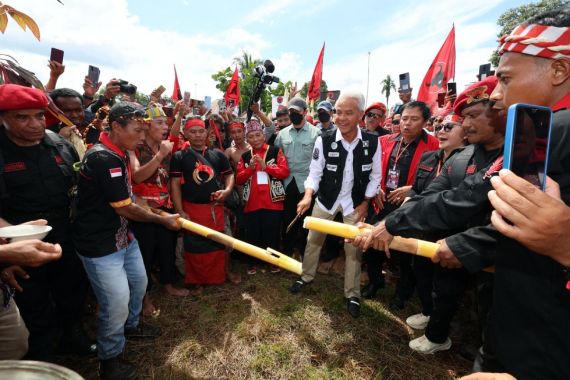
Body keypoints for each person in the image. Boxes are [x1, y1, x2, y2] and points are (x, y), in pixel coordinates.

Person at [352, 76, 506, 355]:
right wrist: (387, 224)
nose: (466, 124)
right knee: (444, 290)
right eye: (463, 117)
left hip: (499, 250)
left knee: (489, 313)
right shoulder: (464, 157)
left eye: (472, 116)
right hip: (452, 240)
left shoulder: (515, 154)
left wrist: (392, 225)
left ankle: (446, 338)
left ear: (500, 111)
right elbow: (428, 195)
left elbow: (458, 200)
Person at [456, 9, 570, 379]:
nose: (496, 95)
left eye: (505, 79)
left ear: (557, 71)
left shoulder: (556, 130)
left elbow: (475, 196)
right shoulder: (540, 132)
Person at [74, 102, 180, 380]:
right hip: (100, 245)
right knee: (116, 300)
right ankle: (110, 360)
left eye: (144, 131)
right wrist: (161, 219)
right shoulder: (103, 158)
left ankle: (131, 327)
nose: (142, 137)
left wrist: (142, 203)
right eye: (137, 131)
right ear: (117, 127)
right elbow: (123, 206)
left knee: (138, 283)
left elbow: (126, 196)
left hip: (123, 236)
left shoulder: (120, 151)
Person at [0, 83, 95, 360]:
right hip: (17, 247)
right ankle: (42, 360)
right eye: (22, 117)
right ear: (3, 118)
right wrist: (5, 256)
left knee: (71, 293)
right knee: (33, 306)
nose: (34, 124)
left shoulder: (61, 145)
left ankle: (72, 338)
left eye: (39, 116)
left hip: (66, 237)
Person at [289, 92, 381, 318]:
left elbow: (375, 176)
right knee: (313, 240)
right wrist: (308, 195)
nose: (341, 118)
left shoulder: (372, 141)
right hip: (326, 200)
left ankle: (352, 294)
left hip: (355, 204)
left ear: (360, 115)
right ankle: (306, 276)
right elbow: (315, 172)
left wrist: (366, 202)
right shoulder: (325, 138)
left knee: (354, 249)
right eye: (338, 112)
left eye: (348, 113)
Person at [361, 101, 439, 307]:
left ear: (424, 121)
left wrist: (412, 189)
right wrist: (376, 187)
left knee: (404, 255)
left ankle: (402, 293)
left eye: (414, 119)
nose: (407, 124)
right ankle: (375, 281)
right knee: (372, 246)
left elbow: (438, 180)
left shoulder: (434, 146)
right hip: (381, 202)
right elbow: (373, 170)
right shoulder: (385, 141)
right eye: (404, 118)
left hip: (409, 208)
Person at [130, 105, 190, 318]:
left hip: (165, 208)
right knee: (144, 255)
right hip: (143, 211)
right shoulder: (135, 147)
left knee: (167, 248)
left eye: (166, 122)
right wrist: (160, 156)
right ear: (146, 126)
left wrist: (180, 114)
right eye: (160, 122)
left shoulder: (164, 145)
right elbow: (137, 177)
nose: (165, 127)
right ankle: (144, 298)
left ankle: (168, 284)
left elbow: (173, 134)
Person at [170, 116, 235, 287]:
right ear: (185, 134)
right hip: (191, 209)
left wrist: (227, 190)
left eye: (201, 131)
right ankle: (195, 279)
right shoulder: (179, 157)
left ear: (206, 132)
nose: (198, 135)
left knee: (221, 242)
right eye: (193, 132)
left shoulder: (218, 155)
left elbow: (229, 174)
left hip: (215, 209)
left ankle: (224, 272)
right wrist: (180, 210)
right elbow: (175, 184)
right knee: (193, 246)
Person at [236, 119, 289, 274]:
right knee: (252, 233)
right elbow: (238, 179)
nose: (255, 139)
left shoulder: (274, 151)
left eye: (258, 135)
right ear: (247, 139)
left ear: (263, 136)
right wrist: (249, 169)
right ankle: (252, 263)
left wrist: (266, 167)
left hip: (273, 201)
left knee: (272, 232)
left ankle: (272, 262)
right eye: (251, 136)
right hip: (252, 202)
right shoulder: (245, 156)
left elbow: (284, 172)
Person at [274, 97, 320, 259]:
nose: (293, 115)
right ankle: (287, 250)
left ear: (305, 112)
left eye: (297, 112)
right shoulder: (282, 134)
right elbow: (277, 157)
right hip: (287, 182)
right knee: (287, 218)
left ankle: (302, 251)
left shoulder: (316, 134)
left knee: (306, 221)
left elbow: (320, 162)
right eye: (291, 112)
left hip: (307, 184)